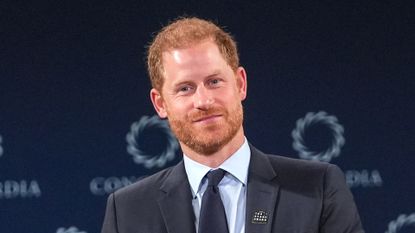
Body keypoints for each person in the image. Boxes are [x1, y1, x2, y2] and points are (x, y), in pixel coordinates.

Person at [101, 17, 364, 233]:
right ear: (160, 103)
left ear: (240, 84)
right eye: (185, 88)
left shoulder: (317, 188)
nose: (203, 100)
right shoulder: (126, 211)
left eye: (214, 81)